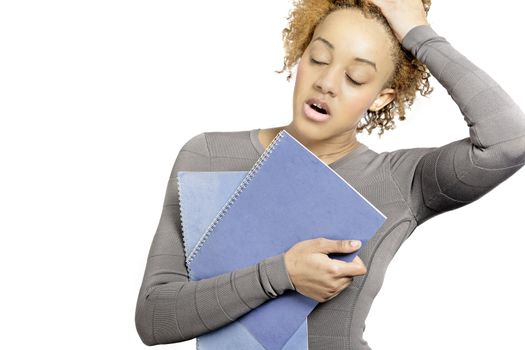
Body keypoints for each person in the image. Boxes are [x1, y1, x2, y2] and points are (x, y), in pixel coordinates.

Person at [135, 0, 525, 348]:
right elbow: (154, 319)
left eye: (356, 77)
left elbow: (510, 139)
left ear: (382, 97)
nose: (326, 82)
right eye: (319, 58)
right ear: (300, 56)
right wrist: (281, 274)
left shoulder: (400, 181)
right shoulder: (210, 155)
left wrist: (419, 35)